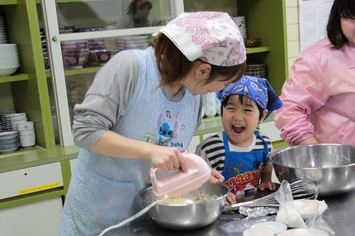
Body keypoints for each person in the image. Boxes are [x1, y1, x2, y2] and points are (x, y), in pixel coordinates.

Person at [59, 11, 247, 235]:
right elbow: (85, 131)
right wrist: (150, 151)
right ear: (202, 70)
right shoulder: (131, 67)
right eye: (223, 82)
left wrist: (196, 174)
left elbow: (168, 153)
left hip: (151, 217)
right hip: (100, 216)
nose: (220, 91)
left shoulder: (192, 96)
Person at [274, 0, 355, 146]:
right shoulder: (319, 59)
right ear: (338, 16)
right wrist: (316, 154)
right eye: (352, 17)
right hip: (338, 162)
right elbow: (288, 110)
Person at [195, 75, 283, 204]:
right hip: (220, 212)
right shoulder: (209, 148)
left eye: (247, 110)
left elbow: (267, 165)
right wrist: (216, 195)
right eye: (231, 108)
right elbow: (196, 185)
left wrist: (266, 181)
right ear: (222, 110)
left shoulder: (264, 143)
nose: (237, 117)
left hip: (252, 209)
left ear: (262, 116)